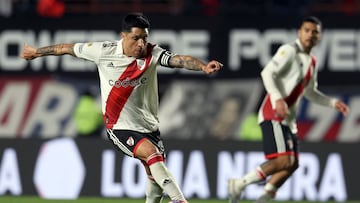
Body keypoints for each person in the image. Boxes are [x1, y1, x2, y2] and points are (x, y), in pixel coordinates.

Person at [20, 13, 223, 203]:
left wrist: (203, 66)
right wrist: (36, 53)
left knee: (154, 178)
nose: (141, 43)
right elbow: (65, 48)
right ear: (123, 36)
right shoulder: (102, 51)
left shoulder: (152, 53)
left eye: (144, 38)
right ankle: (179, 199)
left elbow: (181, 60)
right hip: (119, 126)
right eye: (136, 38)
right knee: (152, 155)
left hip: (149, 127)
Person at [228, 16, 349, 203]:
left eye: (314, 32)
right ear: (299, 32)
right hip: (273, 114)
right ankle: (240, 184)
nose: (310, 34)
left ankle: (265, 197)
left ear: (319, 36)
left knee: (292, 164)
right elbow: (267, 72)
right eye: (307, 30)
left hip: (288, 119)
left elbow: (310, 92)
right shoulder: (289, 51)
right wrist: (277, 99)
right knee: (283, 161)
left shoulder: (312, 61)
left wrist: (333, 103)